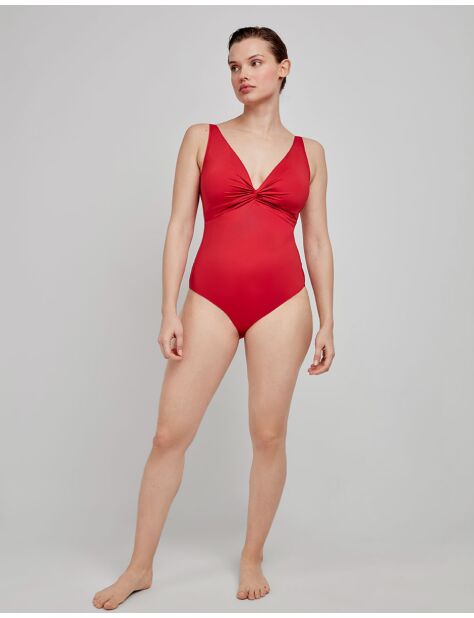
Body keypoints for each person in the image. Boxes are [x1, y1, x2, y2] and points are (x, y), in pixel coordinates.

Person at [92, 25, 334, 610]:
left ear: (283, 68)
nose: (242, 75)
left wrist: (329, 320)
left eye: (254, 62)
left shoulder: (311, 153)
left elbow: (317, 239)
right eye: (233, 66)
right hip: (210, 299)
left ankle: (252, 555)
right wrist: (168, 307)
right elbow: (180, 224)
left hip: (284, 302)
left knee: (268, 435)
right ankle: (139, 567)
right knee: (168, 435)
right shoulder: (201, 137)